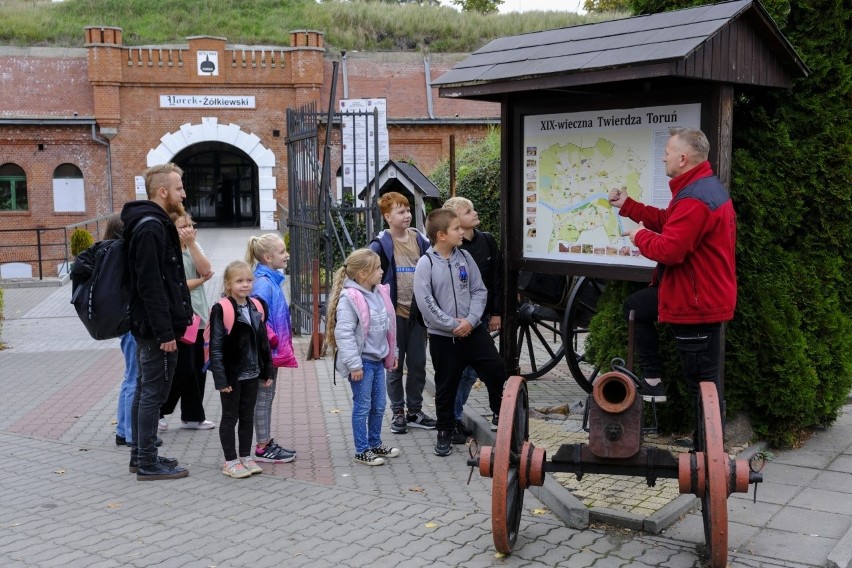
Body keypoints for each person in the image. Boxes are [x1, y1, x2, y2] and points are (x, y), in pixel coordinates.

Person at [608, 127, 737, 443]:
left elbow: (671, 249)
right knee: (636, 308)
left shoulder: (695, 198)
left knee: (702, 385)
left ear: (683, 158)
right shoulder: (697, 189)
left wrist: (638, 235)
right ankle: (652, 380)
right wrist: (628, 205)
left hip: (697, 303)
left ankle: (707, 453)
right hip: (692, 295)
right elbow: (670, 220)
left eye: (667, 151)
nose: (663, 155)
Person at [414, 209, 507, 457]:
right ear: (442, 235)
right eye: (456, 229)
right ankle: (444, 431)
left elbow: (479, 290)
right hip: (445, 337)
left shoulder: (465, 258)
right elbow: (426, 302)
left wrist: (471, 320)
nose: (461, 232)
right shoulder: (426, 263)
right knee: (446, 386)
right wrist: (451, 324)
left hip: (474, 331)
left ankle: (505, 418)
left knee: (496, 368)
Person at [120, 162, 193, 480]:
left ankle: (142, 455)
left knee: (145, 390)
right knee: (152, 392)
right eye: (179, 188)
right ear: (163, 192)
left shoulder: (151, 223)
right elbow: (150, 285)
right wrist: (165, 331)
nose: (183, 194)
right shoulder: (150, 227)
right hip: (155, 329)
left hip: (152, 326)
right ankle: (147, 462)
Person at [368, 192, 436, 434]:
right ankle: (398, 412)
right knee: (394, 365)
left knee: (418, 364)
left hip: (417, 314)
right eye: (400, 211)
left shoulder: (420, 240)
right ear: (388, 216)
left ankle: (415, 411)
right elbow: (369, 276)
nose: (407, 215)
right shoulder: (380, 244)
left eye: (407, 210)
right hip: (393, 315)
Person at [325, 249, 400, 466]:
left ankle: (375, 442)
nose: (382, 271)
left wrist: (392, 353)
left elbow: (390, 327)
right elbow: (344, 333)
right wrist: (355, 365)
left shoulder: (380, 293)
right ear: (363, 275)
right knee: (363, 406)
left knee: (379, 405)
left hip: (377, 360)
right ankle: (361, 450)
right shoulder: (350, 298)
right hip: (362, 363)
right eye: (377, 268)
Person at [442, 197, 503, 440]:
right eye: (469, 211)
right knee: (460, 371)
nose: (475, 213)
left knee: (485, 368)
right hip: (457, 321)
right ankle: (453, 418)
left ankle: (498, 412)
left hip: (482, 317)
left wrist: (496, 312)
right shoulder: (453, 248)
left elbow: (496, 278)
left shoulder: (486, 241)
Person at [208, 261, 274, 478]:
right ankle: (230, 460)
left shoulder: (257, 306)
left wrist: (267, 371)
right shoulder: (222, 308)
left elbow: (263, 341)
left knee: (247, 416)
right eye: (239, 281)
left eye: (248, 280)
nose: (245, 285)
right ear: (228, 284)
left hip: (253, 373)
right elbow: (216, 347)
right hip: (233, 375)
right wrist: (221, 379)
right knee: (230, 417)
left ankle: (245, 456)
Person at [159, 211, 215, 431]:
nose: (188, 230)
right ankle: (160, 410)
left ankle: (193, 415)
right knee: (183, 368)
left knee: (199, 368)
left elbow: (206, 269)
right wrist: (201, 280)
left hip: (199, 316)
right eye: (182, 226)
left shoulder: (193, 247)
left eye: (190, 225)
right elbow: (176, 284)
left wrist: (192, 245)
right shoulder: (167, 251)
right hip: (181, 317)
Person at [246, 233, 298, 463]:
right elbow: (256, 317)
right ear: (268, 257)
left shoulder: (270, 280)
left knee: (267, 396)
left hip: (270, 351)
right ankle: (262, 446)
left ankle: (265, 441)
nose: (286, 255)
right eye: (281, 252)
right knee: (264, 397)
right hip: (265, 352)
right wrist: (273, 340)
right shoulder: (263, 284)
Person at [101, 214, 137, 448]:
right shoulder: (123, 254)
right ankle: (133, 434)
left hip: (123, 321)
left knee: (130, 377)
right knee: (136, 378)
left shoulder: (108, 252)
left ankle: (124, 430)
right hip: (132, 320)